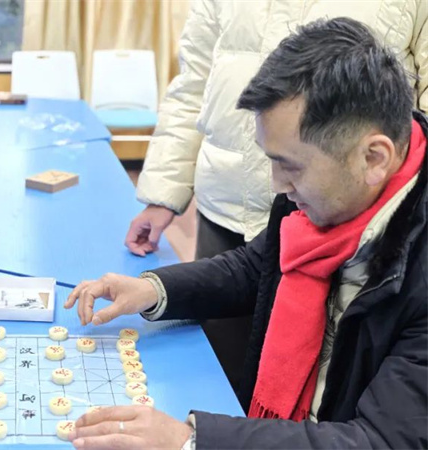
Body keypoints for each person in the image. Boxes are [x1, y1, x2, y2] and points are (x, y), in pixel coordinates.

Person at [68, 17, 427, 449]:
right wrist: (153, 289)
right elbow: (258, 266)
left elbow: (382, 441)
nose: (276, 184)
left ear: (374, 158)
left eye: (290, 167)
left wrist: (191, 440)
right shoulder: (325, 188)